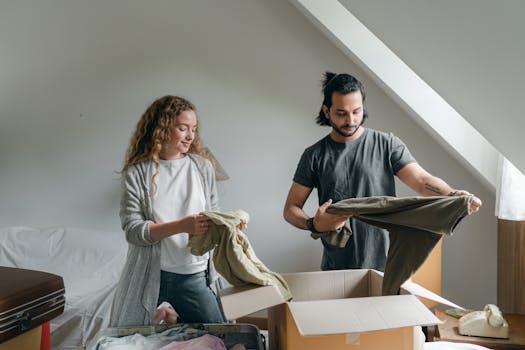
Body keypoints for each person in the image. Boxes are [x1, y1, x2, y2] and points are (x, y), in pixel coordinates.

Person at [283, 72, 482, 272]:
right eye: (341, 113)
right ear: (327, 111)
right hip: (336, 268)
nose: (351, 120)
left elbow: (421, 180)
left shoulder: (387, 144)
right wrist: (313, 224)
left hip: (387, 264)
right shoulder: (314, 155)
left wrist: (452, 195)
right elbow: (291, 208)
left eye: (356, 111)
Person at [110, 95, 240, 327]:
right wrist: (181, 226)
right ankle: (171, 317)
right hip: (148, 276)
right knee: (126, 338)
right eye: (183, 128)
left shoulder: (203, 167)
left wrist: (229, 225)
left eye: (194, 129)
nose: (191, 136)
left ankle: (173, 318)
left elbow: (213, 214)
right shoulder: (136, 173)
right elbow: (132, 230)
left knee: (223, 336)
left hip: (193, 274)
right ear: (162, 129)